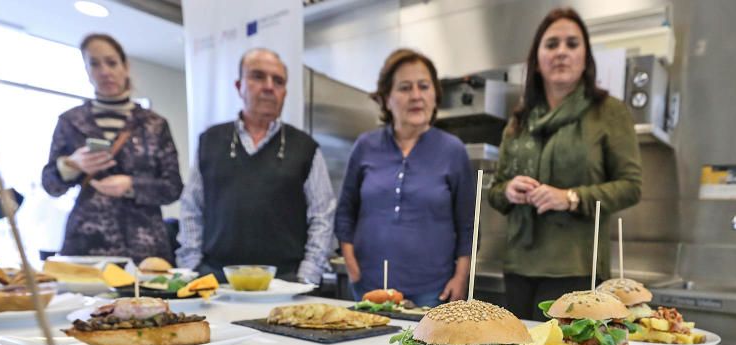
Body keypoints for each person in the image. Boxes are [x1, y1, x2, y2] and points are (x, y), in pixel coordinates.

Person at [487, 8, 642, 320]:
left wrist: (570, 197)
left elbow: (631, 186)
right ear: (537, 59)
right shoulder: (520, 119)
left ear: (585, 57)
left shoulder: (609, 112)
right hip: (519, 265)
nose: (561, 52)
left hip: (577, 266)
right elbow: (495, 191)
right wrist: (510, 190)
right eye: (551, 44)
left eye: (572, 44)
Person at [176, 48, 335, 285]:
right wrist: (193, 268)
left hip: (285, 285)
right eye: (258, 76)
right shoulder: (210, 140)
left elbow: (322, 216)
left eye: (278, 81)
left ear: (284, 92)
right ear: (239, 85)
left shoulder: (306, 147)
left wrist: (305, 277)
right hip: (216, 282)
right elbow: (191, 209)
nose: (269, 86)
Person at [335, 49, 474, 307]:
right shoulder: (365, 146)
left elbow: (468, 225)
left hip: (434, 291)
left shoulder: (453, 150)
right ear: (386, 98)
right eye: (405, 88)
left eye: (424, 86)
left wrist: (461, 278)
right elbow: (345, 211)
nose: (416, 96)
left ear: (435, 95)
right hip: (370, 288)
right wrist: (352, 267)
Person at [41, 34, 183, 263]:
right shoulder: (71, 121)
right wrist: (71, 165)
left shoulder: (153, 124)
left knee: (145, 299)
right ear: (87, 71)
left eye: (111, 62)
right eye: (95, 64)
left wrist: (131, 185)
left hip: (143, 246)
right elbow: (50, 185)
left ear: (125, 66)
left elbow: (173, 187)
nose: (104, 71)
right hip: (86, 245)